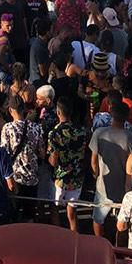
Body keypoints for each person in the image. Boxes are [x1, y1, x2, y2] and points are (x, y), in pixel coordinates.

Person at [89, 102, 132, 238]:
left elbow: (94, 161)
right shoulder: (131, 137)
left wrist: (96, 175)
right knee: (122, 222)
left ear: (112, 115)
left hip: (103, 183)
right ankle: (118, 249)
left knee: (98, 219)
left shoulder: (99, 133)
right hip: (123, 186)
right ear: (127, 117)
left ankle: (99, 244)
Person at [0, 95, 43, 221]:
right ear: (24, 109)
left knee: (14, 213)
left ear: (10, 110)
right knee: (29, 214)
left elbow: (4, 154)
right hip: (32, 177)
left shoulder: (8, 128)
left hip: (15, 179)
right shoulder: (36, 127)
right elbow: (41, 153)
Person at [47, 97, 86, 232]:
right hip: (77, 176)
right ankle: (74, 239)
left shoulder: (54, 133)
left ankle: (57, 239)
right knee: (72, 212)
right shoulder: (81, 130)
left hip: (60, 178)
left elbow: (53, 160)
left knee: (55, 208)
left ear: (58, 112)